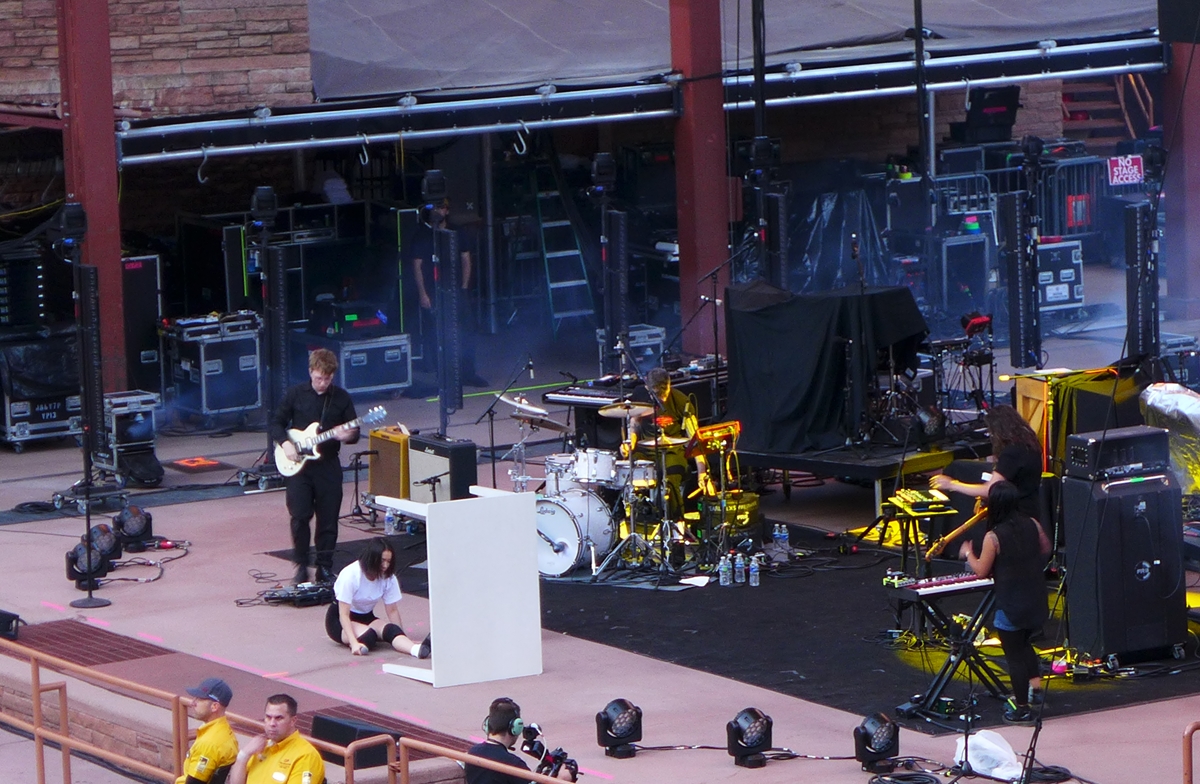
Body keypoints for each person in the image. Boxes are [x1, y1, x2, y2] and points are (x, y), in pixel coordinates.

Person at [960, 480, 1052, 725]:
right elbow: (1046, 548)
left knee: (1014, 656)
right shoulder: (1032, 523)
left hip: (1011, 604)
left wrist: (968, 553)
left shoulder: (993, 537)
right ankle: (1036, 689)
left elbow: (981, 570)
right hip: (1035, 599)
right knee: (1025, 644)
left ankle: (1022, 708)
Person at [270, 348, 359, 585]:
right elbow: (276, 423)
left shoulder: (341, 398)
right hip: (300, 467)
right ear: (310, 372)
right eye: (319, 378)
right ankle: (301, 566)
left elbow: (354, 431)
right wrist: (286, 443)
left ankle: (325, 568)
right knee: (300, 516)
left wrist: (347, 435)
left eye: (327, 379)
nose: (323, 383)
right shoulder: (295, 394)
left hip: (328, 464)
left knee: (328, 519)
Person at [929, 404, 1044, 554]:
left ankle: (968, 555)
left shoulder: (1012, 453)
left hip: (1015, 517)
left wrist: (952, 484)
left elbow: (990, 489)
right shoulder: (1029, 444)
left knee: (976, 544)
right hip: (1029, 510)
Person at [409, 198, 487, 387]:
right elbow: (417, 266)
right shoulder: (422, 234)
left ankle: (468, 373)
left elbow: (466, 259)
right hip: (433, 292)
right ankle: (442, 375)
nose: (438, 211)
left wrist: (464, 287)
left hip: (456, 290)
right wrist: (423, 294)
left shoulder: (457, 232)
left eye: (442, 207)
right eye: (435, 207)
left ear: (447, 211)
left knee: (466, 330)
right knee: (436, 333)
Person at [324, 537, 431, 659]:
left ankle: (415, 650)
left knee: (391, 630)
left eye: (388, 561)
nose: (385, 565)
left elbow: (392, 610)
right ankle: (360, 643)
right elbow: (343, 614)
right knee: (369, 636)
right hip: (339, 620)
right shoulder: (351, 575)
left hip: (366, 616)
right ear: (372, 558)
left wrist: (402, 635)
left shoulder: (389, 578)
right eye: (382, 561)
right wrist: (353, 643)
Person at [627, 368, 713, 520]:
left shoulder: (682, 402)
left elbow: (695, 440)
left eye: (664, 394)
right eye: (656, 394)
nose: (661, 398)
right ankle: (634, 518)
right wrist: (630, 443)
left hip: (673, 451)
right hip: (646, 449)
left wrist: (702, 474)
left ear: (669, 385)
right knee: (627, 470)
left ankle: (676, 521)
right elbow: (635, 423)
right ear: (648, 387)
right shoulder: (640, 394)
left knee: (670, 475)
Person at [464, 698, 574, 784]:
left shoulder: (472, 753)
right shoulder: (513, 764)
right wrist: (561, 780)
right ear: (516, 728)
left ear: (488, 724)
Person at [228, 694, 324, 784]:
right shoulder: (260, 748)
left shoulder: (306, 756)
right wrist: (243, 755)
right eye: (268, 717)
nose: (272, 723)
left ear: (293, 721)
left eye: (279, 718)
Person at [176, 678, 238, 784]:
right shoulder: (225, 731)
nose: (192, 703)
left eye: (199, 699)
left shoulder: (208, 744)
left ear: (214, 706)